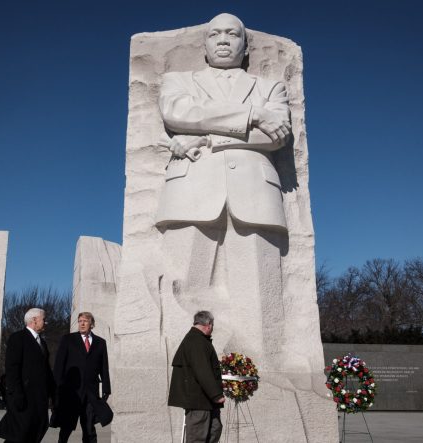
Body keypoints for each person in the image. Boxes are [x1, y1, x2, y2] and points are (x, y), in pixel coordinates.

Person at [155, 13, 291, 361]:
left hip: (255, 194)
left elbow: (276, 136)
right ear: (204, 44)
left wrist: (206, 136)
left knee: (260, 298)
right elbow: (178, 113)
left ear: (245, 46)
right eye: (215, 34)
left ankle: (265, 367)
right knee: (183, 287)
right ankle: (181, 369)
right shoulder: (177, 81)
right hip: (192, 191)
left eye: (233, 34)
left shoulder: (270, 87)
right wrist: (253, 115)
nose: (223, 39)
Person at [0, 308, 56, 443]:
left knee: (35, 431)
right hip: (23, 397)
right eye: (43, 319)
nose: (46, 322)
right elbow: (12, 369)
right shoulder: (18, 338)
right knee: (19, 435)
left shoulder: (42, 342)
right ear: (34, 320)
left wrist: (53, 394)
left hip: (39, 398)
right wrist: (17, 394)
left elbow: (46, 371)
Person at [53, 312, 111, 443]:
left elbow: (104, 367)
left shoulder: (100, 343)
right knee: (66, 427)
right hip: (71, 391)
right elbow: (59, 366)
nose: (82, 324)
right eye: (80, 321)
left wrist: (106, 388)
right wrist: (56, 388)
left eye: (85, 321)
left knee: (89, 427)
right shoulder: (68, 339)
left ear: (92, 324)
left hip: (91, 392)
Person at [168, 311, 225, 443]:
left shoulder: (199, 340)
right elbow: (202, 370)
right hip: (198, 400)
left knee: (215, 428)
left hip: (205, 400)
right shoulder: (195, 341)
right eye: (212, 325)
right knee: (198, 436)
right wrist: (216, 395)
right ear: (209, 325)